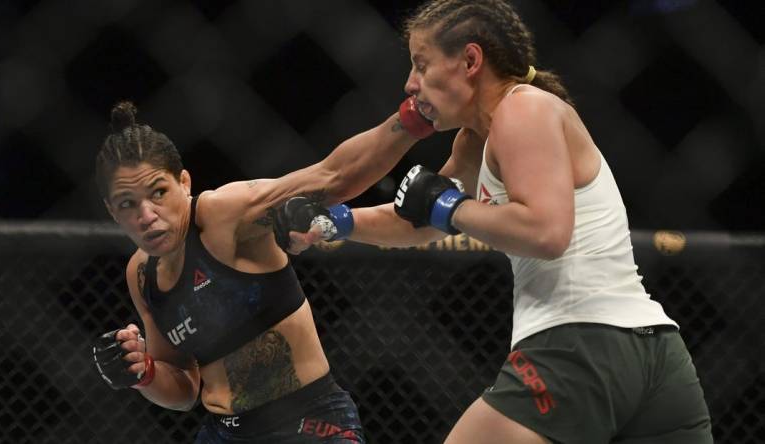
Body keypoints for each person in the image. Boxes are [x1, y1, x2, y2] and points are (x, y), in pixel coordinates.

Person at [272, 1, 714, 443]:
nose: (410, 83)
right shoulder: (476, 140)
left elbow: (546, 232)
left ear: (470, 60)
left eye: (422, 65)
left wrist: (449, 207)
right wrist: (336, 222)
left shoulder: (523, 111)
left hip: (581, 342)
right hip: (656, 356)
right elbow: (421, 218)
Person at [89, 96, 435, 443]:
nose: (146, 215)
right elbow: (183, 387)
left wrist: (413, 118)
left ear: (184, 182)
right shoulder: (141, 275)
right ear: (111, 211)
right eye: (127, 204)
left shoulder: (224, 215)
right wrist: (141, 372)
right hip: (223, 434)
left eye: (159, 192)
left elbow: (332, 176)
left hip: (306, 424)